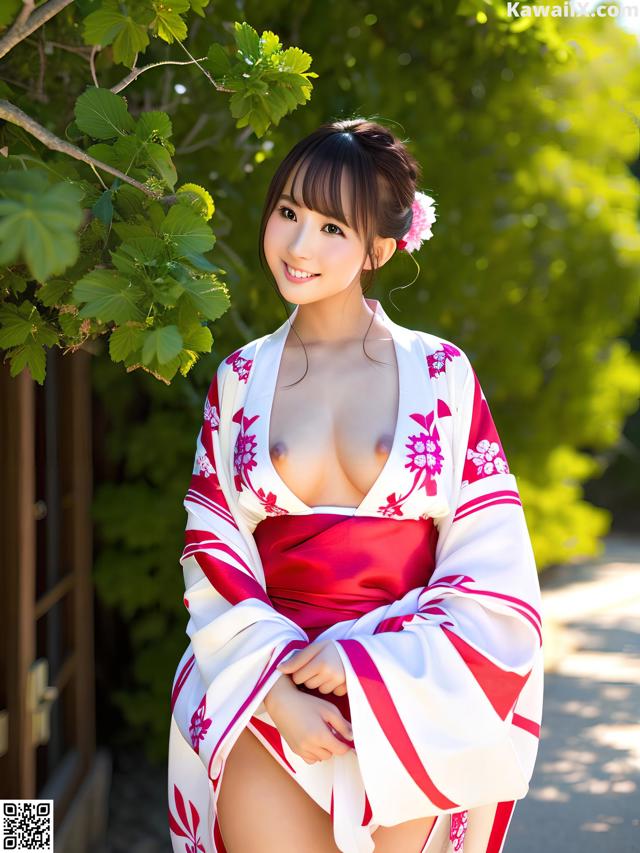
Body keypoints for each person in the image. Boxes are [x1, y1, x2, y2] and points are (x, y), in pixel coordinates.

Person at [167, 118, 544, 853]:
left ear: (380, 246)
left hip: (407, 691)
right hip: (266, 694)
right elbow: (213, 555)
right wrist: (276, 691)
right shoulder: (240, 379)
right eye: (288, 213)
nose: (299, 245)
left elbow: (490, 560)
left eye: (332, 226)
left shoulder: (442, 373)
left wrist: (360, 665)